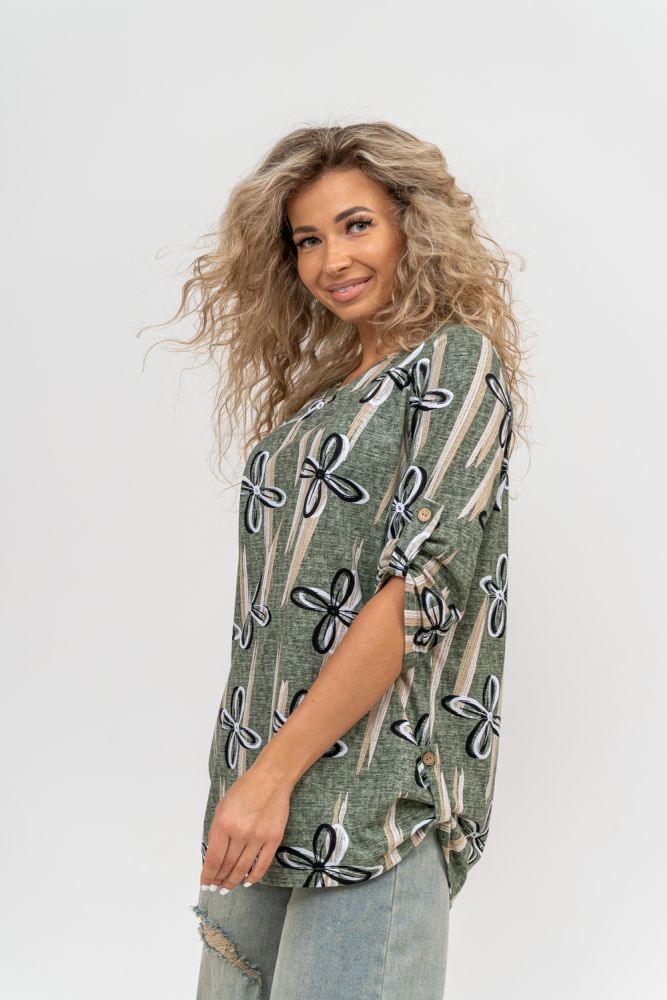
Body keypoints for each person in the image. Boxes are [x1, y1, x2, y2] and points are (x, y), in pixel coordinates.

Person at [148, 121, 528, 999]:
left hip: (371, 803)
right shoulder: (319, 402)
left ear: (410, 226)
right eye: (308, 239)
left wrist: (269, 777)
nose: (332, 259)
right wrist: (252, 782)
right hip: (261, 800)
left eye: (356, 225)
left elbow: (416, 596)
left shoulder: (454, 361)